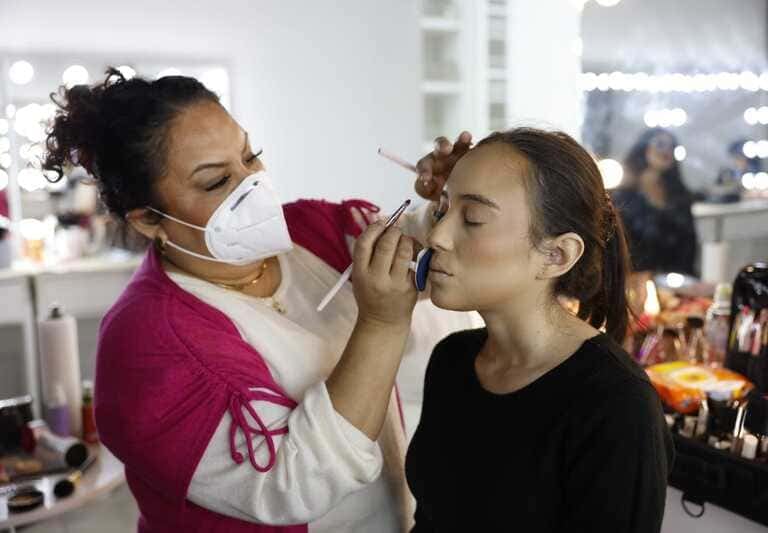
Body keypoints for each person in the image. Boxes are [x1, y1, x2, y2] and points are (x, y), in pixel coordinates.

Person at [42, 68, 480, 533]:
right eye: (216, 181)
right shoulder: (146, 345)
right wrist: (381, 325)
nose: (252, 185)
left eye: (251, 156)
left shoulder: (315, 230)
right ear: (149, 219)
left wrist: (451, 204)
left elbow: (429, 259)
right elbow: (293, 484)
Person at [405, 128, 674, 532]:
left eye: (473, 219)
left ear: (556, 255)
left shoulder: (616, 406)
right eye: (442, 211)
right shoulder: (452, 359)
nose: (436, 236)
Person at [611, 127, 698, 276]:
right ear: (644, 148)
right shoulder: (623, 197)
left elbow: (689, 244)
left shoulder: (680, 195)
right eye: (660, 144)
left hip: (678, 282)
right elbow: (619, 248)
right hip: (636, 282)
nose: (667, 151)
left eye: (672, 146)